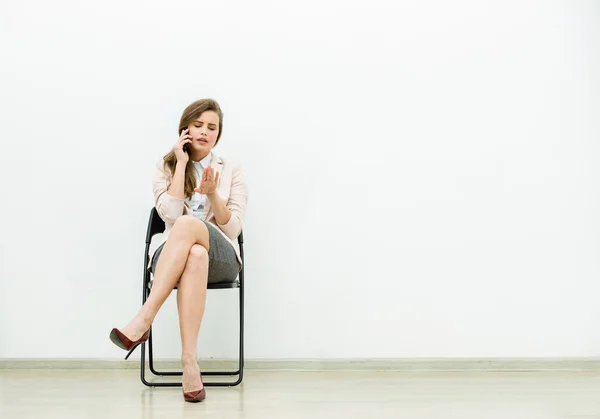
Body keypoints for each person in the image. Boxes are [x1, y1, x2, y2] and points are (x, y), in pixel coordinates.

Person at [109, 98, 248, 402]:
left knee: (191, 231)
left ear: (219, 133)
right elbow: (169, 215)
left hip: (220, 257)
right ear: (185, 128)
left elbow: (233, 228)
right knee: (191, 248)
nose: (204, 132)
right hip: (174, 256)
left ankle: (145, 318)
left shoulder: (231, 169)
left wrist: (213, 196)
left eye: (212, 127)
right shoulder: (166, 165)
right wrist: (181, 164)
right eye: (198, 125)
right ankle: (190, 363)